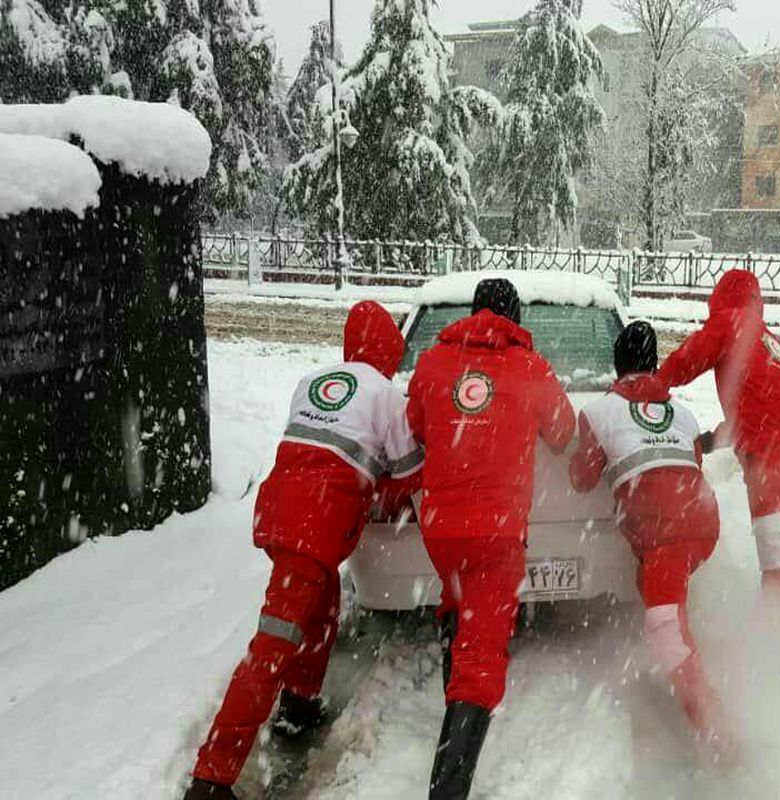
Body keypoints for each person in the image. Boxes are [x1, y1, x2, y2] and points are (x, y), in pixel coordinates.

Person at [185, 301, 423, 800]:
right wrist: (390, 497)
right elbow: (407, 474)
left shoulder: (313, 380)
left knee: (323, 607)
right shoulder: (384, 394)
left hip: (281, 513)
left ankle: (300, 704)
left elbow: (319, 447)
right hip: (314, 524)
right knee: (270, 648)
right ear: (388, 350)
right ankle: (212, 777)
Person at [406, 278, 575, 800]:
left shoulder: (432, 363)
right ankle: (448, 789)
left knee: (456, 597)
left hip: (441, 527)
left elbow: (415, 427)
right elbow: (564, 431)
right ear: (514, 319)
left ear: (473, 311)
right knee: (483, 655)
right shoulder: (530, 368)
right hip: (496, 528)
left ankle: (453, 692)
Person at [655, 270, 780, 678]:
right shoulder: (763, 336)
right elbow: (757, 412)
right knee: (779, 559)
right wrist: (708, 441)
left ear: (721, 298)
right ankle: (773, 638)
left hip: (772, 461)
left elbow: (688, 359)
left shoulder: (730, 322)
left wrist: (654, 385)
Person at [569, 321, 737, 764]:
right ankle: (688, 659)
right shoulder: (682, 413)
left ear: (617, 366)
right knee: (664, 594)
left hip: (663, 533)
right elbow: (689, 463)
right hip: (702, 525)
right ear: (653, 365)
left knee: (665, 632)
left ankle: (721, 740)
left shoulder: (599, 411)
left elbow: (582, 478)